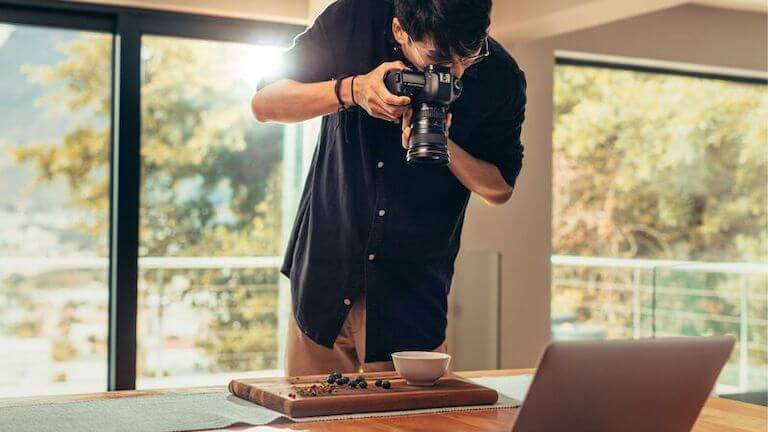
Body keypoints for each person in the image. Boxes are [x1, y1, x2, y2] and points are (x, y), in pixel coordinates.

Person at [251, 0, 527, 376]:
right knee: (311, 420)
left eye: (469, 54)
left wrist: (445, 145)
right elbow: (264, 103)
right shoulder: (354, 18)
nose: (457, 72)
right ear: (400, 31)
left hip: (411, 296)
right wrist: (353, 90)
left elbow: (500, 189)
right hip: (324, 280)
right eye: (440, 60)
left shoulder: (500, 75)